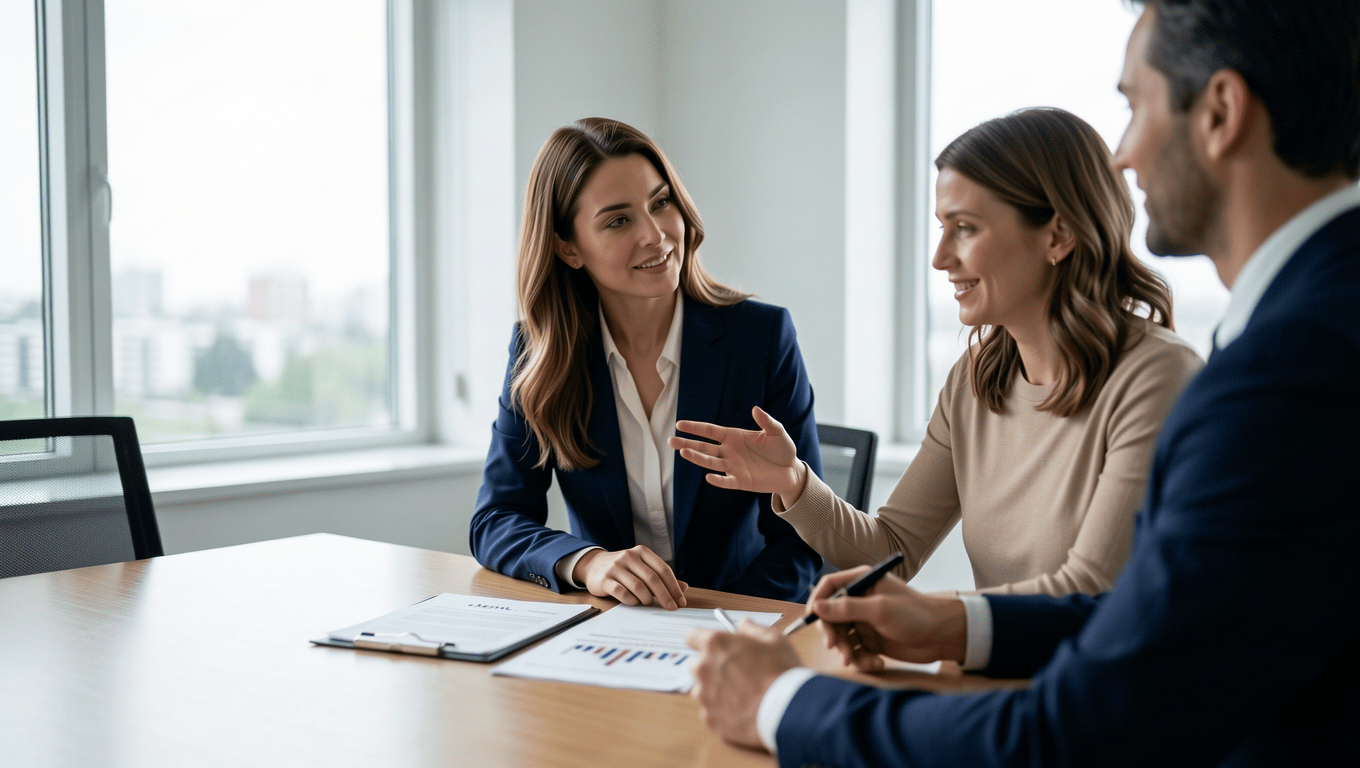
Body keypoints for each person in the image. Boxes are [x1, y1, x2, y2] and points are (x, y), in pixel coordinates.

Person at [685, 1, 1360, 765]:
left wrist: (786, 701)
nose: (1123, 154)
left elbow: (1102, 652)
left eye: (1134, 106)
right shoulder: (984, 374)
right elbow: (1151, 628)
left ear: (1222, 111)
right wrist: (811, 498)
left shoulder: (1273, 369)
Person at [671, 107, 1202, 597]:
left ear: (1058, 235)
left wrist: (929, 617)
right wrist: (794, 483)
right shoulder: (977, 378)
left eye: (965, 229)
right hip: (992, 676)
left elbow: (1087, 588)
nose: (940, 257)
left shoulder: (1157, 376)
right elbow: (891, 550)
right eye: (941, 228)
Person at [470, 117, 823, 607]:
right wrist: (589, 563)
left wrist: (714, 620)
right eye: (618, 220)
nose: (656, 235)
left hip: (738, 627)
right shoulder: (541, 353)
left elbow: (802, 539)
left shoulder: (761, 338)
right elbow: (496, 520)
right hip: (610, 631)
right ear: (568, 248)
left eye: (661, 203)